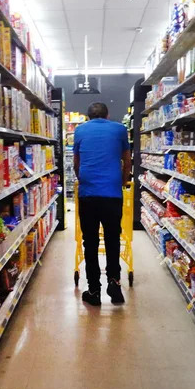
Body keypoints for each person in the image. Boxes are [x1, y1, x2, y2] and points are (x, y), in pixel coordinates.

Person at [73, 102, 131, 306]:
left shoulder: (79, 130)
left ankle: (94, 291)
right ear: (108, 115)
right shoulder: (120, 129)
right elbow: (127, 159)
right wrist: (122, 181)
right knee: (112, 239)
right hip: (112, 194)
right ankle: (114, 283)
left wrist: (83, 180)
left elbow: (76, 162)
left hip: (88, 193)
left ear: (88, 117)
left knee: (90, 242)